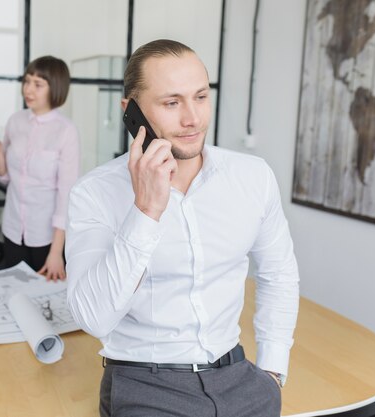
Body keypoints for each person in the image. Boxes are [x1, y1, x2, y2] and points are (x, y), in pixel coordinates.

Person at [65, 39, 299, 417]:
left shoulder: (253, 177)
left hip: (242, 379)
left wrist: (273, 369)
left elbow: (279, 274)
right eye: (172, 103)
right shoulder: (93, 193)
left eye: (201, 97)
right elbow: (93, 317)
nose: (193, 118)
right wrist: (145, 210)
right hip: (145, 385)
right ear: (131, 112)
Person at [0, 55, 80, 281]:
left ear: (54, 88)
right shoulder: (15, 121)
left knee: (47, 300)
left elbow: (66, 195)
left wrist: (56, 252)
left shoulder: (66, 131)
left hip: (46, 236)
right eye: (27, 82)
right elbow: (4, 176)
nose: (28, 89)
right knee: (16, 293)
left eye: (38, 84)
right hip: (13, 228)